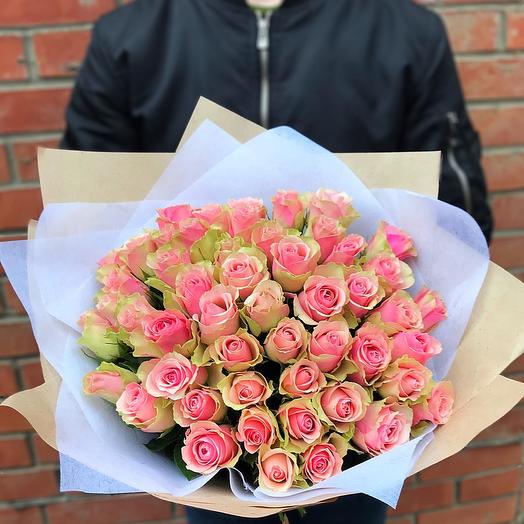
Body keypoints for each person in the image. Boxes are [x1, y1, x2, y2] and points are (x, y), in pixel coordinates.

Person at [60, 1, 492, 522]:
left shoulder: (407, 32)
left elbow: (453, 218)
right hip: (199, 430)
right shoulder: (132, 36)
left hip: (358, 424)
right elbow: (90, 212)